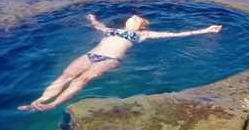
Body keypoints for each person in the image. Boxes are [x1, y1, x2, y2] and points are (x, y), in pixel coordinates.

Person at [19, 13, 222, 111]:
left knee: (82, 80)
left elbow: (176, 34)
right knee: (65, 75)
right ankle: (37, 102)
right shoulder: (113, 30)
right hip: (91, 54)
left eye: (137, 18)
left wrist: (205, 30)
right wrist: (92, 19)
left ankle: (54, 104)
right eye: (133, 16)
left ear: (140, 26)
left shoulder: (144, 35)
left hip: (111, 59)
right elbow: (99, 27)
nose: (133, 17)